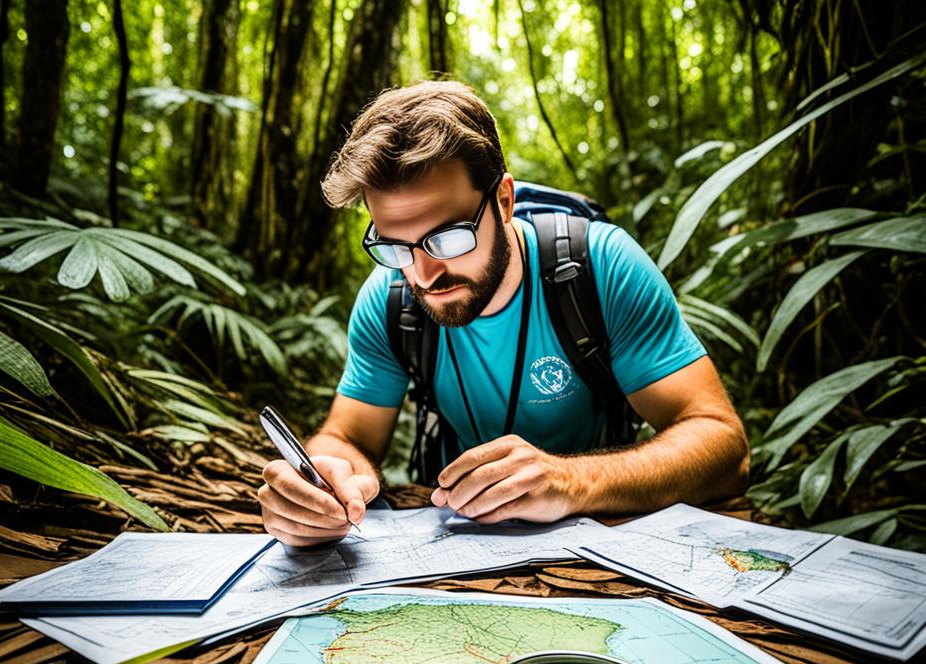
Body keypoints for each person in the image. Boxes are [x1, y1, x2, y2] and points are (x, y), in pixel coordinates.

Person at [259, 80, 749, 547]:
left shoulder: (600, 269)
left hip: (603, 543)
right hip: (455, 550)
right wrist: (328, 477)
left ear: (504, 201)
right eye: (395, 247)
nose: (424, 273)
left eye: (448, 238)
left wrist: (570, 482)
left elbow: (724, 446)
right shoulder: (390, 299)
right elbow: (348, 436)